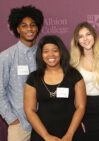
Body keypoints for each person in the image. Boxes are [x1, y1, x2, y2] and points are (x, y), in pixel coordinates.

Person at [24, 35, 86, 141]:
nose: (51, 54)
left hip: (71, 132)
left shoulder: (74, 75)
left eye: (55, 50)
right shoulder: (34, 78)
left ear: (61, 53)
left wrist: (70, 134)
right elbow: (29, 110)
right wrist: (46, 136)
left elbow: (80, 107)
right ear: (41, 55)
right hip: (42, 133)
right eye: (46, 51)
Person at [0, 5, 44, 141]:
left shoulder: (44, 55)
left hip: (44, 122)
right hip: (20, 125)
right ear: (17, 29)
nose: (29, 29)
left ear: (37, 28)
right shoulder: (7, 56)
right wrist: (11, 119)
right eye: (24, 25)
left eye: (32, 25)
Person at [70, 22, 99, 140]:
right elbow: (72, 93)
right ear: (77, 41)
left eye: (88, 34)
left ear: (94, 36)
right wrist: (78, 119)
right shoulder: (74, 62)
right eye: (81, 36)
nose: (85, 39)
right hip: (84, 109)